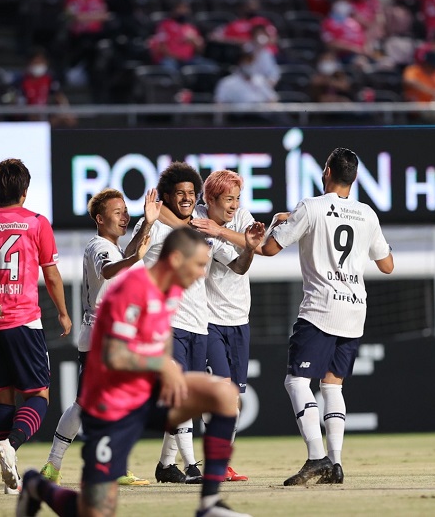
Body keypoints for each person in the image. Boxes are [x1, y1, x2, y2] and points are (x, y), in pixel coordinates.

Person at [17, 227, 253, 517]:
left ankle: (210, 505)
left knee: (223, 395)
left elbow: (160, 335)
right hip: (109, 408)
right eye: (200, 265)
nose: (203, 274)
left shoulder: (172, 290)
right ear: (177, 258)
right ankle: (35, 486)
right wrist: (161, 365)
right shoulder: (131, 289)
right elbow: (112, 355)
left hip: (146, 396)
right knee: (94, 511)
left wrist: (166, 367)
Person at [261, 147, 394, 485]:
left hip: (321, 308)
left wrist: (285, 222)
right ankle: (335, 464)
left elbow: (268, 249)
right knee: (332, 386)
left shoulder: (311, 207)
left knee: (296, 381)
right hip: (355, 309)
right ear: (355, 177)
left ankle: (316, 458)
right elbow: (388, 265)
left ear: (328, 172)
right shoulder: (367, 213)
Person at [126, 162, 264, 484]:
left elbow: (238, 263)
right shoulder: (165, 224)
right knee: (184, 394)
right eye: (180, 193)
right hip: (171, 323)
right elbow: (133, 254)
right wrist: (147, 222)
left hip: (200, 325)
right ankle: (192, 467)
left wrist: (250, 246)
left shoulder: (198, 231)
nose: (187, 198)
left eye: (190, 192)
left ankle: (166, 464)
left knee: (189, 397)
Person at [0, 158, 72, 494]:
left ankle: (11, 480)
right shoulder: (36, 223)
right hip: (23, 321)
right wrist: (63, 312)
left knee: (3, 401)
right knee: (39, 396)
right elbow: (50, 274)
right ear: (24, 190)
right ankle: (11, 446)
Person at [40, 188, 158, 487]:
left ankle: (55, 464)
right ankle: (111, 466)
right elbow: (108, 270)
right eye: (117, 212)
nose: (124, 216)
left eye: (124, 211)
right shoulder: (99, 247)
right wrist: (134, 258)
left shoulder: (111, 246)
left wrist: (147, 222)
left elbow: (129, 251)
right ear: (99, 218)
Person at [189, 170, 259, 482]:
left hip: (240, 319)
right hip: (208, 320)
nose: (234, 205)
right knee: (222, 393)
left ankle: (217, 464)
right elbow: (235, 263)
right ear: (211, 200)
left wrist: (246, 245)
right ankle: (211, 464)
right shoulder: (197, 218)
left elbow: (244, 264)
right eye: (228, 199)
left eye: (237, 198)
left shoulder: (242, 215)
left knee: (234, 398)